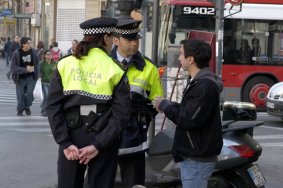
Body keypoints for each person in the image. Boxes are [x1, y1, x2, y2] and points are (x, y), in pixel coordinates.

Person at [46, 17, 131, 188]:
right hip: (103, 137)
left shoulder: (64, 64)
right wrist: (98, 145)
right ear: (106, 38)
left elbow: (53, 107)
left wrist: (65, 142)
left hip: (72, 135)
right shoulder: (115, 68)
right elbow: (121, 115)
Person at [152, 39, 223, 188]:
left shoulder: (204, 85)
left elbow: (189, 119)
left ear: (191, 59)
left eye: (181, 54)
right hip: (194, 156)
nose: (179, 58)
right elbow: (190, 111)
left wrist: (165, 106)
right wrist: (169, 105)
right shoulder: (199, 82)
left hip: (196, 158)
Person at [111, 17, 164, 188]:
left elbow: (156, 101)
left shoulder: (149, 67)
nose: (134, 43)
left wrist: (140, 121)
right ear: (116, 40)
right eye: (129, 39)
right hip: (104, 137)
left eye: (136, 39)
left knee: (134, 185)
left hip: (133, 140)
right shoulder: (102, 63)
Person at [10, 37, 39, 116]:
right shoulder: (17, 53)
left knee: (30, 93)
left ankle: (27, 107)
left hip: (31, 77)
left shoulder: (33, 52)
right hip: (20, 78)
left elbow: (37, 64)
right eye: (28, 43)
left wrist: (38, 74)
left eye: (30, 43)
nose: (30, 44)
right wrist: (25, 70)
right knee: (20, 94)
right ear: (23, 44)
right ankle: (20, 110)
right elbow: (13, 67)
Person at [39, 50, 57, 116]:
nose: (49, 56)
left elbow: (57, 72)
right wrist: (39, 76)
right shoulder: (42, 63)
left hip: (52, 83)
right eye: (48, 54)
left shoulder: (55, 63)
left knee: (49, 97)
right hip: (44, 82)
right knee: (46, 96)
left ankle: (43, 105)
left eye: (50, 54)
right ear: (45, 55)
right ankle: (43, 111)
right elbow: (38, 71)